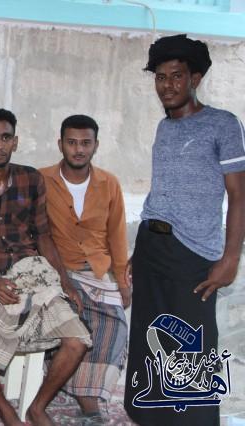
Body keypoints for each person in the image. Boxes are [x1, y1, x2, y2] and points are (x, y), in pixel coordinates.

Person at [124, 34, 245, 426]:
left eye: (176, 76)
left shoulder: (223, 125)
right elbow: (161, 192)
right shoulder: (164, 128)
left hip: (193, 254)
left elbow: (240, 196)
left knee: (191, 348)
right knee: (150, 341)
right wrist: (138, 251)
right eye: (160, 77)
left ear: (195, 78)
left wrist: (230, 258)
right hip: (152, 248)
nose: (167, 85)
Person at [0, 108, 91, 426]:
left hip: (31, 273)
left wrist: (65, 283)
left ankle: (37, 407)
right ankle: (6, 410)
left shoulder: (31, 180)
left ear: (15, 142)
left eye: (5, 138)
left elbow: (43, 235)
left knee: (77, 339)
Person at [39, 114, 129, 425]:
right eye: (72, 142)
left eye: (85, 143)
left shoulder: (109, 183)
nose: (78, 149)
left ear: (96, 145)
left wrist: (123, 283)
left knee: (114, 326)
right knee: (69, 321)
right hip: (57, 271)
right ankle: (89, 404)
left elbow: (117, 235)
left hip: (98, 272)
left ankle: (85, 391)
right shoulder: (41, 179)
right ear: (60, 144)